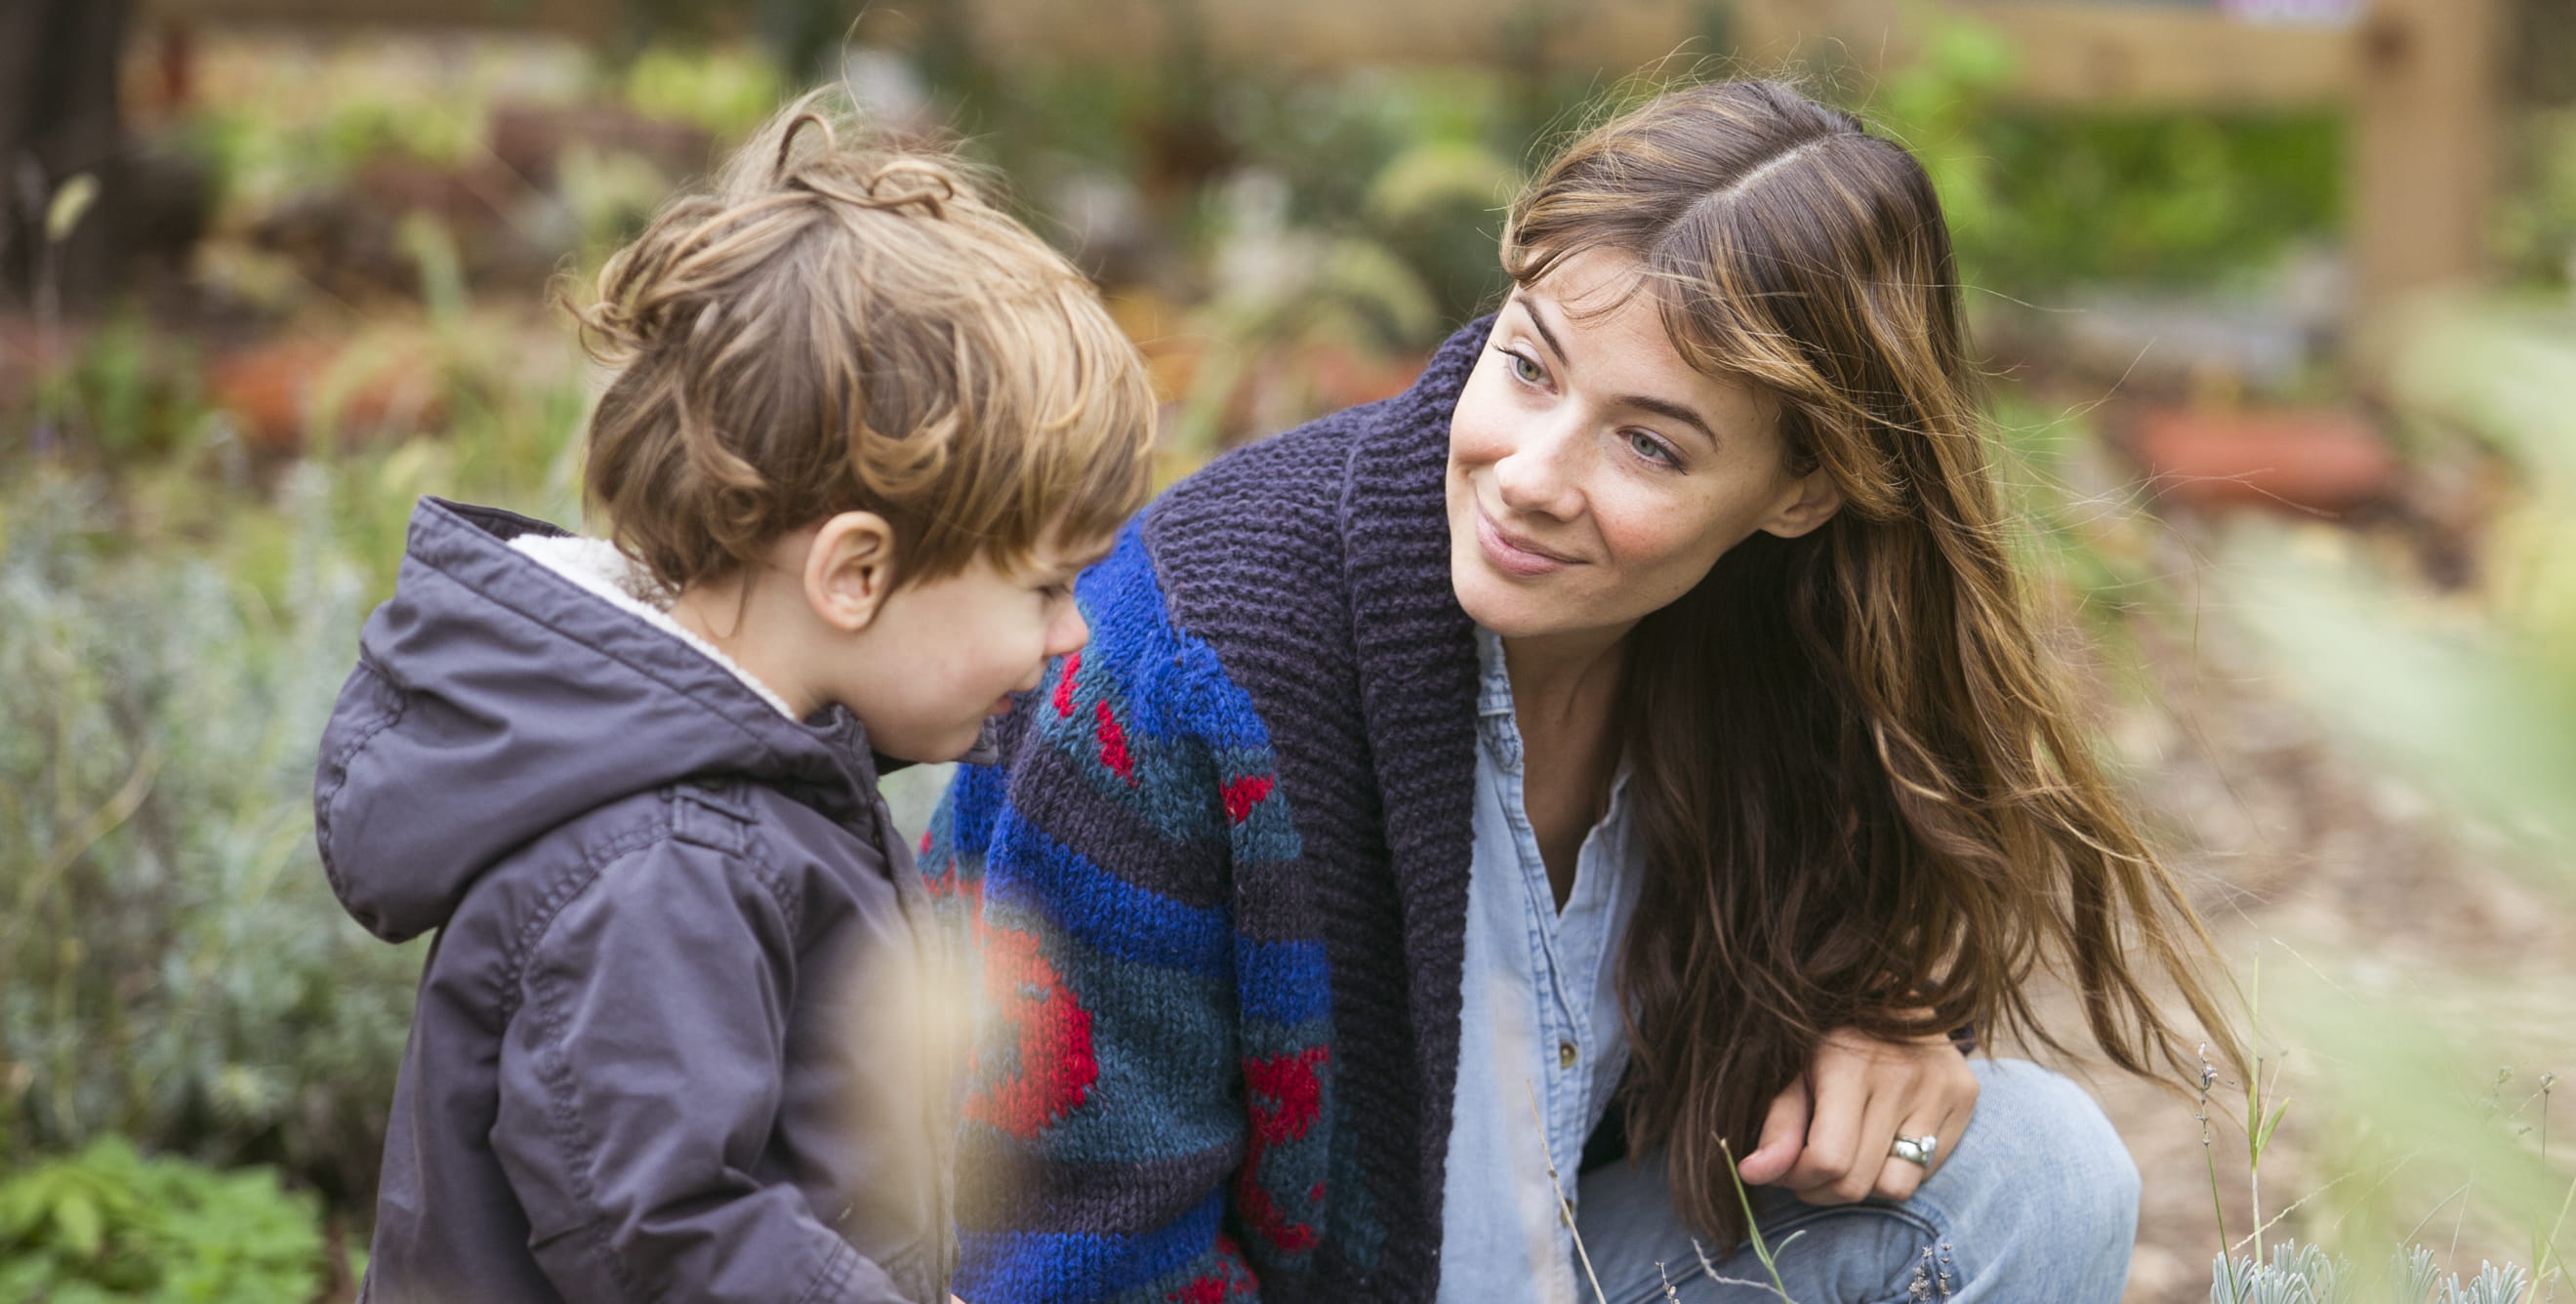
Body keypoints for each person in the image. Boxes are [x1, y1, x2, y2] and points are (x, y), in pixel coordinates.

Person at [927, 79, 2234, 1303]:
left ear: (1801, 492)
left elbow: (1832, 941)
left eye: (1651, 444)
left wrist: (1876, 1010)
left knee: (2036, 1172)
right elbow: (1066, 1253)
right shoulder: (1186, 665)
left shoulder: (1774, 642)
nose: (1534, 475)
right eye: (1530, 367)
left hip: (1541, 1266)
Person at [313, 97, 1155, 1304]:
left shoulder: (751, 781)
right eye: (1042, 587)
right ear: (854, 573)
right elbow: (664, 1234)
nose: (1071, 632)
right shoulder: (664, 856)